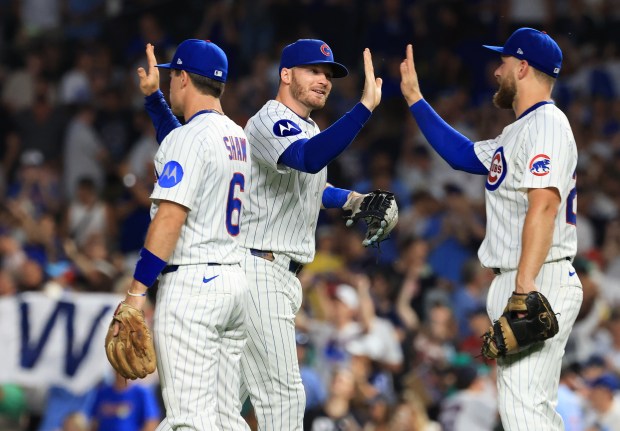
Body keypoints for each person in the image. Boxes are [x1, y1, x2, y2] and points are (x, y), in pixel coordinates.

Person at [140, 38, 384, 430]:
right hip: (259, 269)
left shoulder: (307, 128)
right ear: (286, 75)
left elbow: (310, 189)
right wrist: (363, 108)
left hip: (269, 274)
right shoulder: (271, 120)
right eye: (313, 71)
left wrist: (352, 200)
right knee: (283, 398)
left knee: (217, 411)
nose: (323, 80)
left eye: (328, 74)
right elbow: (307, 159)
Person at [399, 27, 583, 430]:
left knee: (525, 410)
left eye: (503, 61)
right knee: (525, 409)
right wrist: (415, 99)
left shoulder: (548, 124)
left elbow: (545, 205)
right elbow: (463, 155)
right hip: (526, 275)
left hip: (538, 276)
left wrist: (525, 286)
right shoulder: (517, 132)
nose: (496, 69)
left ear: (521, 67)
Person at [111, 39, 251, 430]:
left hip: (193, 286)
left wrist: (136, 294)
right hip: (233, 285)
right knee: (226, 419)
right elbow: (187, 146)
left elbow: (169, 218)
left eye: (173, 77)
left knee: (188, 420)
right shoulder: (237, 137)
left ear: (183, 78)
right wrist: (154, 99)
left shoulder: (189, 139)